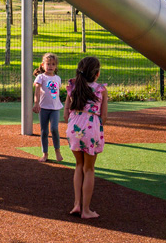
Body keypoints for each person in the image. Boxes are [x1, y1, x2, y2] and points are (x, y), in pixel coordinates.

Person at [65, 56, 106, 219]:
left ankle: (76, 204)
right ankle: (86, 210)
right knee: (89, 169)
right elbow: (104, 116)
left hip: (73, 128)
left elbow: (65, 112)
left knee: (78, 165)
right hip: (91, 128)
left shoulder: (72, 87)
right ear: (96, 73)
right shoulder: (101, 89)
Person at [32, 52, 63, 162]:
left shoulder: (58, 78)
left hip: (55, 108)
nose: (50, 66)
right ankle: (45, 154)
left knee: (54, 129)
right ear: (42, 65)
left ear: (56, 66)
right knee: (44, 131)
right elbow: (37, 91)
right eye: (48, 64)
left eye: (53, 64)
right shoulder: (41, 77)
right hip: (43, 108)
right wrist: (36, 103)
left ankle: (57, 151)